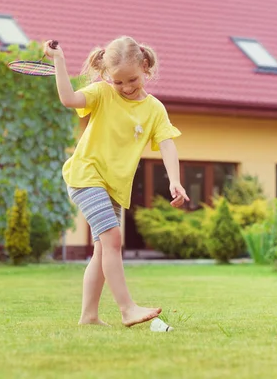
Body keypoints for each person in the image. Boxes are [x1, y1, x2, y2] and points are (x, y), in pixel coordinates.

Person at [44, 36, 189, 328]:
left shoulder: (154, 109)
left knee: (102, 249)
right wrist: (59, 61)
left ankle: (89, 316)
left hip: (113, 186)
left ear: (145, 66)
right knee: (113, 240)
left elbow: (167, 144)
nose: (125, 87)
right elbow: (69, 99)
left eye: (132, 79)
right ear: (107, 75)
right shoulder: (102, 93)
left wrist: (175, 180)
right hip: (86, 175)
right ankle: (127, 309)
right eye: (118, 81)